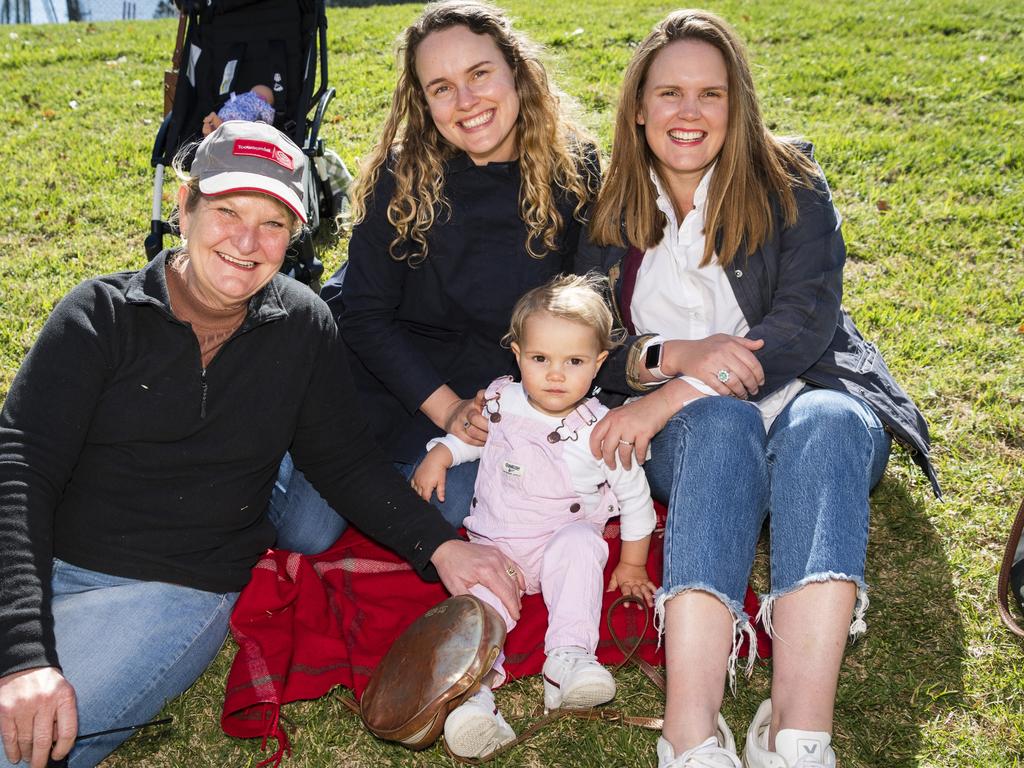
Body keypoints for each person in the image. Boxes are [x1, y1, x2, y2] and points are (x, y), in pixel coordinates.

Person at [0, 121, 522, 768]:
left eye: (273, 223)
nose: (247, 242)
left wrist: (438, 545)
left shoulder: (303, 326)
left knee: (21, 742)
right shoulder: (97, 314)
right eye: (227, 212)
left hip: (168, 590)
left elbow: (344, 462)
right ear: (183, 207)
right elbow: (21, 469)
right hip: (48, 555)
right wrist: (21, 651)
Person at [576, 10, 939, 768]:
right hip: (698, 433)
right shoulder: (609, 201)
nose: (689, 112)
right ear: (637, 106)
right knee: (721, 428)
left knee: (833, 423)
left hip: (804, 392)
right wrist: (670, 356)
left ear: (737, 104)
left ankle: (799, 736)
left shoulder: (791, 177)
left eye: (711, 93)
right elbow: (587, 338)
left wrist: (675, 391)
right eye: (669, 92)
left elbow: (807, 319)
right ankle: (690, 736)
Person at [271, 0, 600, 539]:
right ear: (424, 101)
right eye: (442, 87)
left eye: (479, 74)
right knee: (305, 535)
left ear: (515, 70)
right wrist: (445, 410)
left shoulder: (574, 168)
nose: (466, 101)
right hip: (387, 373)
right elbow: (365, 316)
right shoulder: (401, 175)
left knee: (451, 515)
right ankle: (278, 436)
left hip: (489, 389)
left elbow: (583, 302)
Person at [410, 274, 657, 758]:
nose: (556, 374)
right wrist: (441, 453)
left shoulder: (600, 431)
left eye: (574, 362)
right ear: (518, 354)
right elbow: (471, 439)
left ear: (599, 363)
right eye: (540, 359)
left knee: (584, 548)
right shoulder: (501, 400)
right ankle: (472, 701)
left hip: (558, 543)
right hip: (495, 550)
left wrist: (631, 563)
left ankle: (569, 657)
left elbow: (635, 499)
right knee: (481, 609)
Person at [202, 84, 275, 135]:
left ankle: (214, 124)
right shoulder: (262, 103)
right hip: (239, 118)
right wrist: (268, 127)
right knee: (232, 129)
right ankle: (218, 127)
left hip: (226, 110)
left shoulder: (244, 95)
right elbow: (268, 117)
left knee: (223, 121)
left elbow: (231, 100)